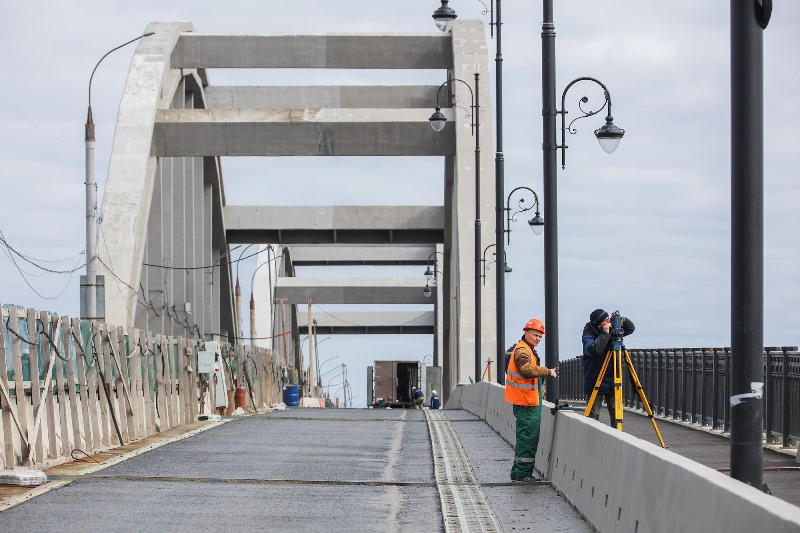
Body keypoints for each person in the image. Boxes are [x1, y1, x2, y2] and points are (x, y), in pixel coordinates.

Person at [505, 318, 558, 483]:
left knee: (524, 437)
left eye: (540, 336)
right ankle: (522, 475)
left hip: (527, 401)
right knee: (528, 438)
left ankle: (517, 472)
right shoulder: (523, 351)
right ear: (526, 332)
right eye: (535, 335)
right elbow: (526, 370)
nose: (538, 339)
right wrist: (548, 371)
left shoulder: (527, 349)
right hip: (526, 402)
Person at [582, 308, 635, 427]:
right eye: (605, 320)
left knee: (617, 416)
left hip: (612, 378)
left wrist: (622, 320)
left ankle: (617, 438)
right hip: (595, 378)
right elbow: (595, 349)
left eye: (608, 319)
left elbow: (630, 328)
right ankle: (592, 442)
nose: (608, 322)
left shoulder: (611, 329)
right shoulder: (588, 332)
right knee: (593, 417)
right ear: (598, 323)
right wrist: (605, 334)